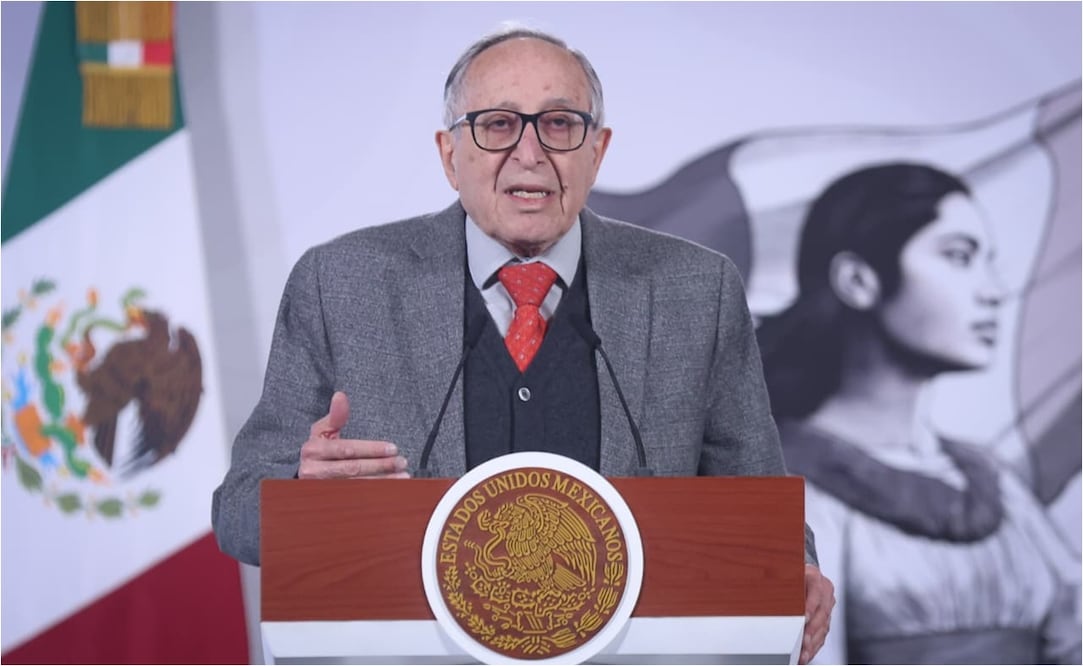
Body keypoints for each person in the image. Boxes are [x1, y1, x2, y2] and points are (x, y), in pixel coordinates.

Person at [211, 26, 835, 663]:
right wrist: (301, 494)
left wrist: (798, 567)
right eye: (498, 124)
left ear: (598, 150)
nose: (530, 153)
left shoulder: (697, 289)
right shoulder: (340, 284)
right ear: (450, 155)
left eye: (559, 124)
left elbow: (759, 501)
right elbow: (237, 511)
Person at [757, 162, 1081, 664]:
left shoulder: (992, 481)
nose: (994, 291)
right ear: (858, 280)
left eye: (988, 261)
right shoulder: (788, 486)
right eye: (959, 256)